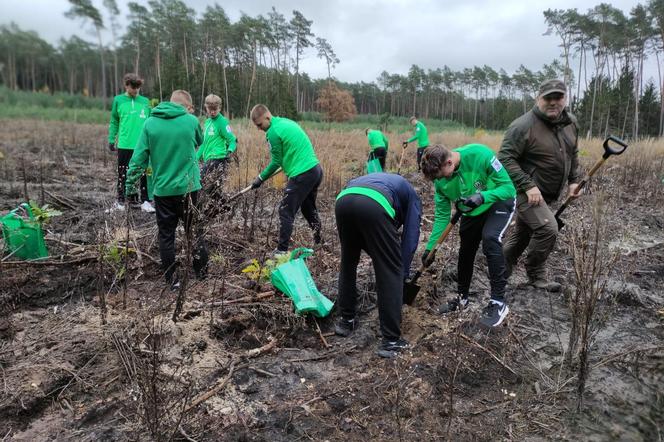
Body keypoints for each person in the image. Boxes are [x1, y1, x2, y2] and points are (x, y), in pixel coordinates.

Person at [497, 79, 580, 292]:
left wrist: (574, 181)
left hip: (549, 193)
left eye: (558, 97)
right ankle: (535, 274)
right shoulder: (522, 126)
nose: (553, 102)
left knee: (521, 236)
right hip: (526, 193)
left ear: (565, 98)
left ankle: (498, 274)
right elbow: (505, 158)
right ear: (538, 99)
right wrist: (527, 185)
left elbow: (573, 153)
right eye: (548, 98)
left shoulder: (570, 122)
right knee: (547, 229)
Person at [420, 144, 516, 328]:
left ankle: (498, 302)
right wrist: (430, 248)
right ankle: (462, 298)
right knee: (465, 250)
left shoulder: (480, 155)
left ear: (449, 162)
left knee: (490, 238)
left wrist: (483, 196)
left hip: (498, 201)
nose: (439, 181)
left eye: (441, 176)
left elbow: (508, 188)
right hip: (472, 209)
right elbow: (441, 215)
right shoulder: (439, 180)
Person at [125, 90, 208, 288]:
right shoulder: (191, 121)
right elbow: (200, 141)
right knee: (195, 232)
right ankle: (202, 276)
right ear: (185, 106)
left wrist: (130, 187)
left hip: (162, 191)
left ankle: (172, 281)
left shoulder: (150, 123)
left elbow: (138, 159)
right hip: (189, 189)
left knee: (166, 236)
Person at [334, 172, 421, 358]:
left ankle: (345, 321)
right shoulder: (413, 196)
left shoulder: (386, 181)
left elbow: (366, 236)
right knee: (390, 269)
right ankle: (391, 341)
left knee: (348, 261)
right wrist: (401, 271)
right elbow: (411, 237)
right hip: (374, 203)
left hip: (343, 200)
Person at [249, 104, 323, 253]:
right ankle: (320, 241)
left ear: (267, 117)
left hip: (302, 173)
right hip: (315, 170)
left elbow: (276, 161)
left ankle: (281, 251)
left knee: (285, 211)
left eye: (260, 124)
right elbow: (289, 152)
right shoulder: (285, 122)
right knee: (308, 209)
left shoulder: (273, 132)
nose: (259, 128)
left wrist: (260, 178)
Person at [107, 73, 154, 213]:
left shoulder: (146, 102)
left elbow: (151, 122)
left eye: (138, 87)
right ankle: (121, 201)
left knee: (144, 173)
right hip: (124, 144)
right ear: (126, 85)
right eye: (133, 87)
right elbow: (114, 121)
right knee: (123, 172)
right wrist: (111, 139)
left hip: (142, 145)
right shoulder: (118, 100)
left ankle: (145, 201)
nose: (135, 90)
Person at [197, 94, 237, 216]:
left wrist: (229, 151)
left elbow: (232, 140)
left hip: (219, 159)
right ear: (206, 108)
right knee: (212, 189)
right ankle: (224, 208)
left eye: (215, 109)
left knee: (204, 185)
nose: (213, 112)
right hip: (208, 160)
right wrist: (195, 158)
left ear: (220, 108)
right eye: (210, 109)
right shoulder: (207, 122)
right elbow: (203, 144)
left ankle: (218, 209)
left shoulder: (222, 122)